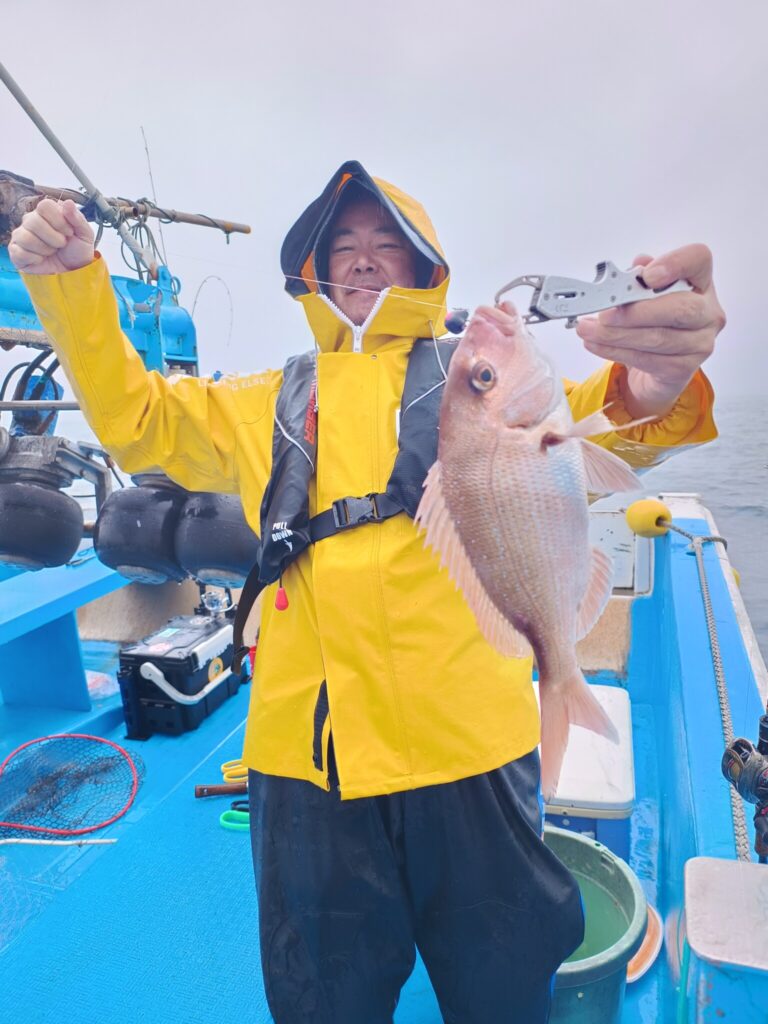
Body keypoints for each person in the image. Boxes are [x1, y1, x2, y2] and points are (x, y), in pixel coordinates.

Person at [9, 160, 724, 1023]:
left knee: (504, 983)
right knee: (323, 996)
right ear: (312, 271)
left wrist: (658, 379)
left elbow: (619, 420)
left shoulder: (481, 378)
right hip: (305, 763)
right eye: (341, 243)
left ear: (426, 267)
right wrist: (72, 286)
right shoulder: (266, 400)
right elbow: (138, 418)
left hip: (472, 748)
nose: (362, 256)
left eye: (388, 241)